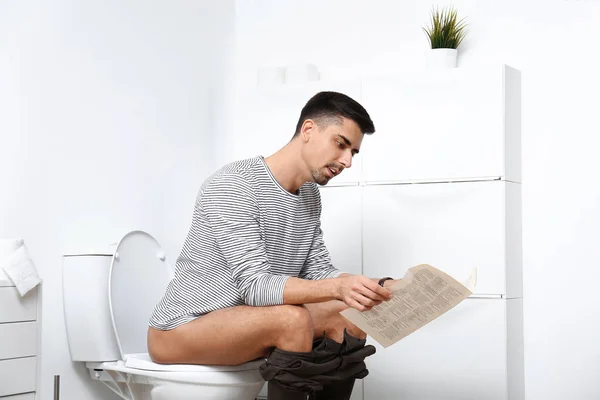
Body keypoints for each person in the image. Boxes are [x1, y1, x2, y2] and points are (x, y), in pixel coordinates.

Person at [147, 91, 399, 399]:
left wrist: (381, 286)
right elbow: (256, 287)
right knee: (290, 319)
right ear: (309, 130)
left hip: (246, 320)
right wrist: (337, 289)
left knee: (349, 313)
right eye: (340, 143)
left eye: (353, 152)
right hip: (180, 329)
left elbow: (319, 271)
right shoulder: (234, 184)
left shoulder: (309, 195)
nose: (347, 161)